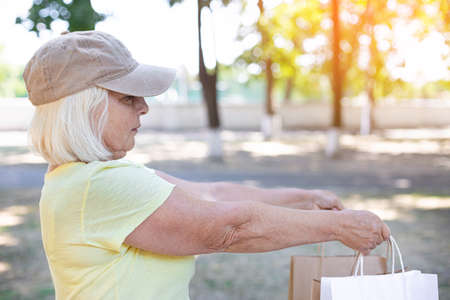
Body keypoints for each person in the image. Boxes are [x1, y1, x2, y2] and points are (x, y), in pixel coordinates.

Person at [24, 31, 390, 300]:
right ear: (83, 106)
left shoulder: (86, 180)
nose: (144, 107)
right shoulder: (99, 186)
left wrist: (304, 198)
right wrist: (337, 226)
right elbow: (228, 228)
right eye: (127, 98)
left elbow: (211, 194)